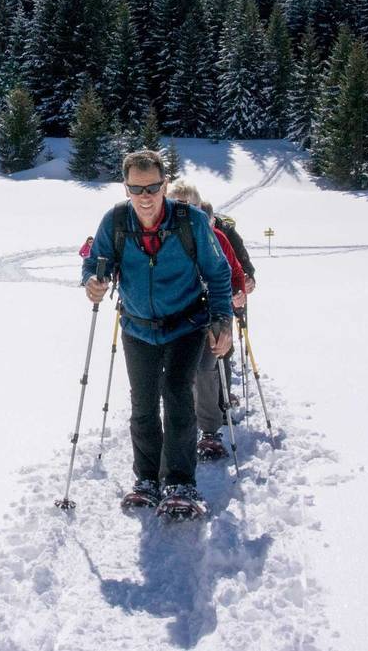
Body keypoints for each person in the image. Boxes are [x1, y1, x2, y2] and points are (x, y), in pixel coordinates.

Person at [81, 150, 233, 515]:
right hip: (138, 327)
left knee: (178, 394)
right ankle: (147, 479)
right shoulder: (115, 221)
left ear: (165, 185)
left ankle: (181, 482)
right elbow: (94, 262)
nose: (145, 196)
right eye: (137, 188)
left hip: (187, 324)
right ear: (126, 188)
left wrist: (222, 320)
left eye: (152, 187)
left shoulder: (191, 221)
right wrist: (92, 281)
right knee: (143, 404)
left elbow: (219, 274)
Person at [176, 184, 250, 460]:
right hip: (175, 312)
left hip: (210, 309)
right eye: (177, 202)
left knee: (208, 367)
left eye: (188, 204)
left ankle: (209, 429)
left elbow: (233, 269)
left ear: (199, 207)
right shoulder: (163, 235)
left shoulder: (216, 234)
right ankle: (181, 423)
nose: (182, 208)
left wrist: (238, 293)